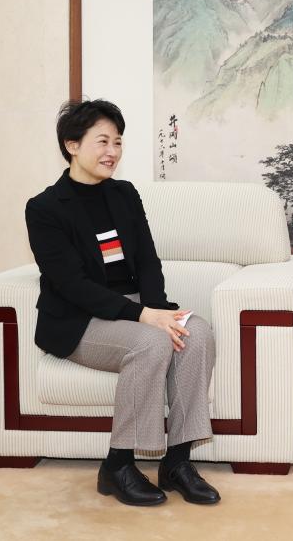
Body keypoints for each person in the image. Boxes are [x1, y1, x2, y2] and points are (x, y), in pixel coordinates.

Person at [26, 99, 219, 507]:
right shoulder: (44, 209)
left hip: (133, 308)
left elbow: (147, 261)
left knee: (197, 332)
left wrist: (158, 310)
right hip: (80, 320)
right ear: (72, 145)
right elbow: (72, 284)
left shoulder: (125, 194)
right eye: (102, 141)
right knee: (151, 342)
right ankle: (117, 465)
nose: (112, 151)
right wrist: (144, 317)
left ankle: (177, 462)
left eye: (117, 142)